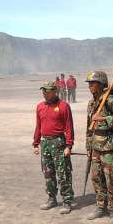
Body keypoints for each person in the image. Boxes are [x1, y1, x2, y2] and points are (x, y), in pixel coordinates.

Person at [85, 71, 113, 224]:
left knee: (112, 181)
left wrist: (104, 118)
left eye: (93, 83)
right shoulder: (91, 103)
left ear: (102, 84)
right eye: (89, 83)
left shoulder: (110, 100)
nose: (90, 86)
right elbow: (89, 128)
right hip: (96, 147)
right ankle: (100, 206)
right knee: (97, 179)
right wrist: (89, 146)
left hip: (109, 148)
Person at [32, 80, 74, 214]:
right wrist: (36, 143)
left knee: (63, 173)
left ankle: (67, 201)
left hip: (59, 143)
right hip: (45, 143)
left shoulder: (63, 106)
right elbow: (38, 126)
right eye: (43, 90)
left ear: (54, 91)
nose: (44, 93)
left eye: (47, 90)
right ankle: (52, 198)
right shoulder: (40, 107)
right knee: (48, 173)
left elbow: (69, 127)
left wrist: (69, 146)